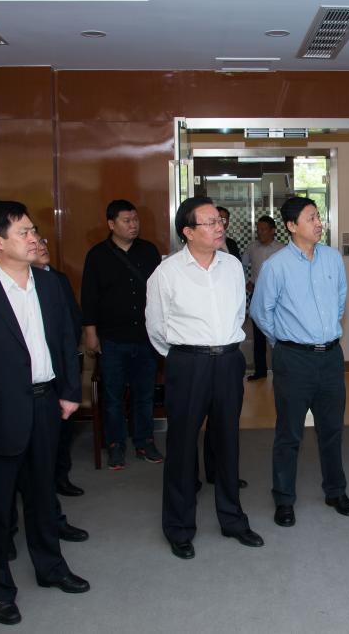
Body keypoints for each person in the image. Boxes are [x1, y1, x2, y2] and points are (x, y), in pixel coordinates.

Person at [0, 201, 90, 626]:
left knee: (42, 494)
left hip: (46, 403)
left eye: (33, 230)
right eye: (23, 232)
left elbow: (66, 339)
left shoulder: (50, 284)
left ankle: (51, 567)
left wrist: (70, 391)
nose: (34, 238)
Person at [146, 196, 263, 560]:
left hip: (228, 361)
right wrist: (185, 356)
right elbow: (156, 327)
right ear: (188, 231)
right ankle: (179, 527)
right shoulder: (167, 272)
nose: (219, 227)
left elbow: (239, 313)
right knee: (181, 447)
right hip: (188, 363)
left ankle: (232, 519)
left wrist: (223, 348)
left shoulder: (232, 266)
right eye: (210, 222)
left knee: (227, 442)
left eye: (219, 221)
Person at [250, 197, 349, 529]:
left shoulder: (332, 258)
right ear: (292, 225)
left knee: (332, 428)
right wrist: (285, 342)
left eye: (318, 216)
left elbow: (340, 299)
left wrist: (324, 332)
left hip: (331, 358)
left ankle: (335, 491)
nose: (319, 222)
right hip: (293, 359)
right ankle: (284, 499)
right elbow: (260, 312)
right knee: (289, 432)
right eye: (311, 218)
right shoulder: (276, 266)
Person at [81, 199, 163, 470]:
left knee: (144, 395)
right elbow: (89, 298)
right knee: (113, 396)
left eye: (135, 220)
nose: (133, 225)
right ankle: (115, 444)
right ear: (111, 224)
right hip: (112, 338)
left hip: (146, 338)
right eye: (127, 221)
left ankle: (144, 441)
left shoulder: (149, 251)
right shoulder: (97, 255)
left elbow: (160, 292)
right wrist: (91, 334)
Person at [35, 234, 85, 497]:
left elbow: (72, 318)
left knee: (63, 429)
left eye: (43, 241)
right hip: (36, 370)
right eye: (34, 242)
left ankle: (61, 476)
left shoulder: (58, 278)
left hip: (61, 365)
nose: (41, 247)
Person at [242, 215, 285, 380]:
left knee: (278, 334)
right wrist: (247, 281)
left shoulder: (282, 249)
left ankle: (281, 372)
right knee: (258, 335)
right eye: (258, 229)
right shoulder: (252, 248)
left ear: (273, 230)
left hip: (278, 297)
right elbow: (242, 265)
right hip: (258, 295)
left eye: (264, 229)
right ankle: (260, 371)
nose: (260, 232)